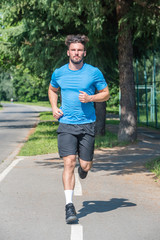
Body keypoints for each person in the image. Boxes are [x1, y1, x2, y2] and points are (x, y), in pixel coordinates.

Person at [48, 34, 110, 224]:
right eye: (73, 50)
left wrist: (91, 98)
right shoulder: (59, 73)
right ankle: (69, 206)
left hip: (87, 124)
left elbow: (106, 94)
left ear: (84, 52)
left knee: (84, 165)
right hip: (66, 123)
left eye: (79, 50)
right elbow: (52, 89)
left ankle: (84, 170)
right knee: (69, 162)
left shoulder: (93, 72)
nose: (76, 53)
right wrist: (54, 108)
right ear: (68, 52)